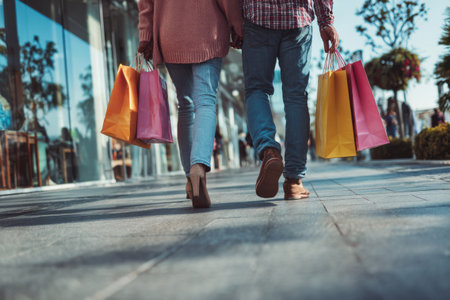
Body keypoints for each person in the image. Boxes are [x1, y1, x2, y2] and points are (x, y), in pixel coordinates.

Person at [137, 0, 243, 208]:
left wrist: (145, 35)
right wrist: (237, 25)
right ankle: (198, 166)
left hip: (170, 33)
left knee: (185, 106)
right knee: (205, 101)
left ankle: (189, 178)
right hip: (207, 31)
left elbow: (145, 3)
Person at [241, 0, 338, 200]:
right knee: (296, 97)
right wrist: (326, 21)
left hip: (257, 17)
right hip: (297, 19)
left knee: (257, 90)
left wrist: (233, 21)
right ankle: (294, 181)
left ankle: (269, 151)